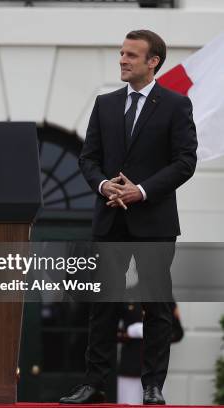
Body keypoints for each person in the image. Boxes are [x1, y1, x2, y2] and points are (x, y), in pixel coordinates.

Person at [59, 30, 197, 405]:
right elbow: (88, 159)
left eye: (131, 55)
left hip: (154, 221)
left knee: (156, 307)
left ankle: (152, 386)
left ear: (153, 62)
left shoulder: (175, 105)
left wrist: (142, 191)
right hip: (110, 219)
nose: (122, 60)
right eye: (121, 53)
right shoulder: (104, 105)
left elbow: (185, 162)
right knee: (102, 305)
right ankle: (94, 384)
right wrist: (105, 186)